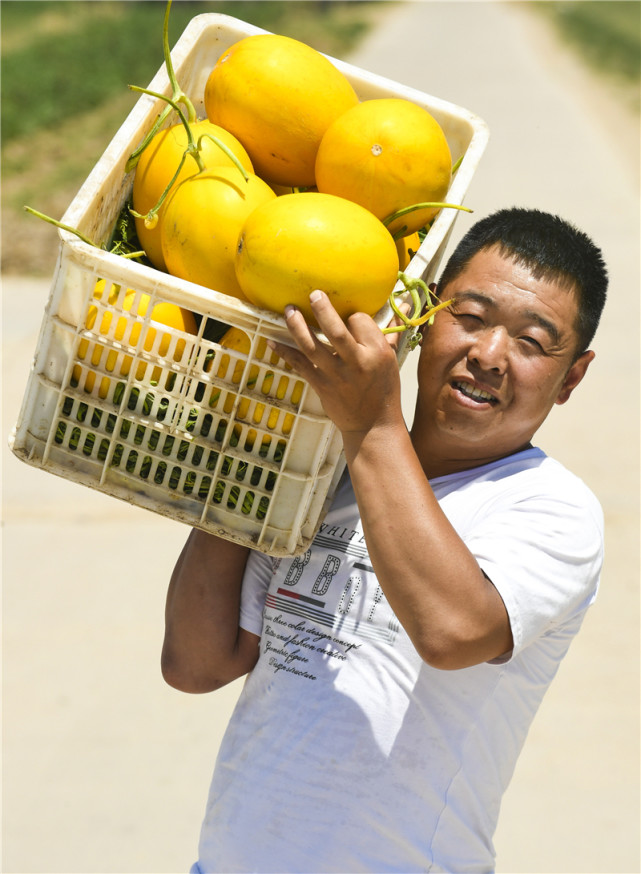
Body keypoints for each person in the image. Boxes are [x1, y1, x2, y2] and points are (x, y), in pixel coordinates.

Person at [162, 207, 608, 873]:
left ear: (570, 377)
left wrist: (371, 425)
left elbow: (452, 631)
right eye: (470, 316)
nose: (488, 355)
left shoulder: (552, 509)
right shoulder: (323, 470)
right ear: (423, 317)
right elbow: (197, 665)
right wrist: (251, 452)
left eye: (532, 342)